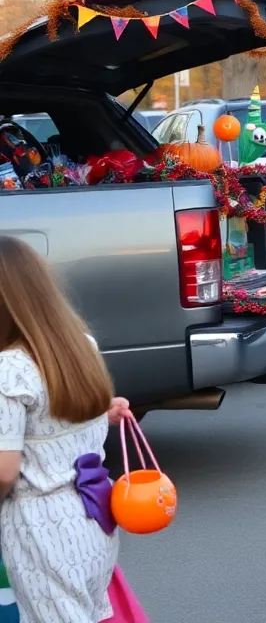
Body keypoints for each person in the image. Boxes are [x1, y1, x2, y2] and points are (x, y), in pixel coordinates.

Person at [0, 235, 132, 622]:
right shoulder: (81, 345)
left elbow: (5, 470)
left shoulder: (9, 369)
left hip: (41, 526)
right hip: (93, 515)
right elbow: (59, 421)